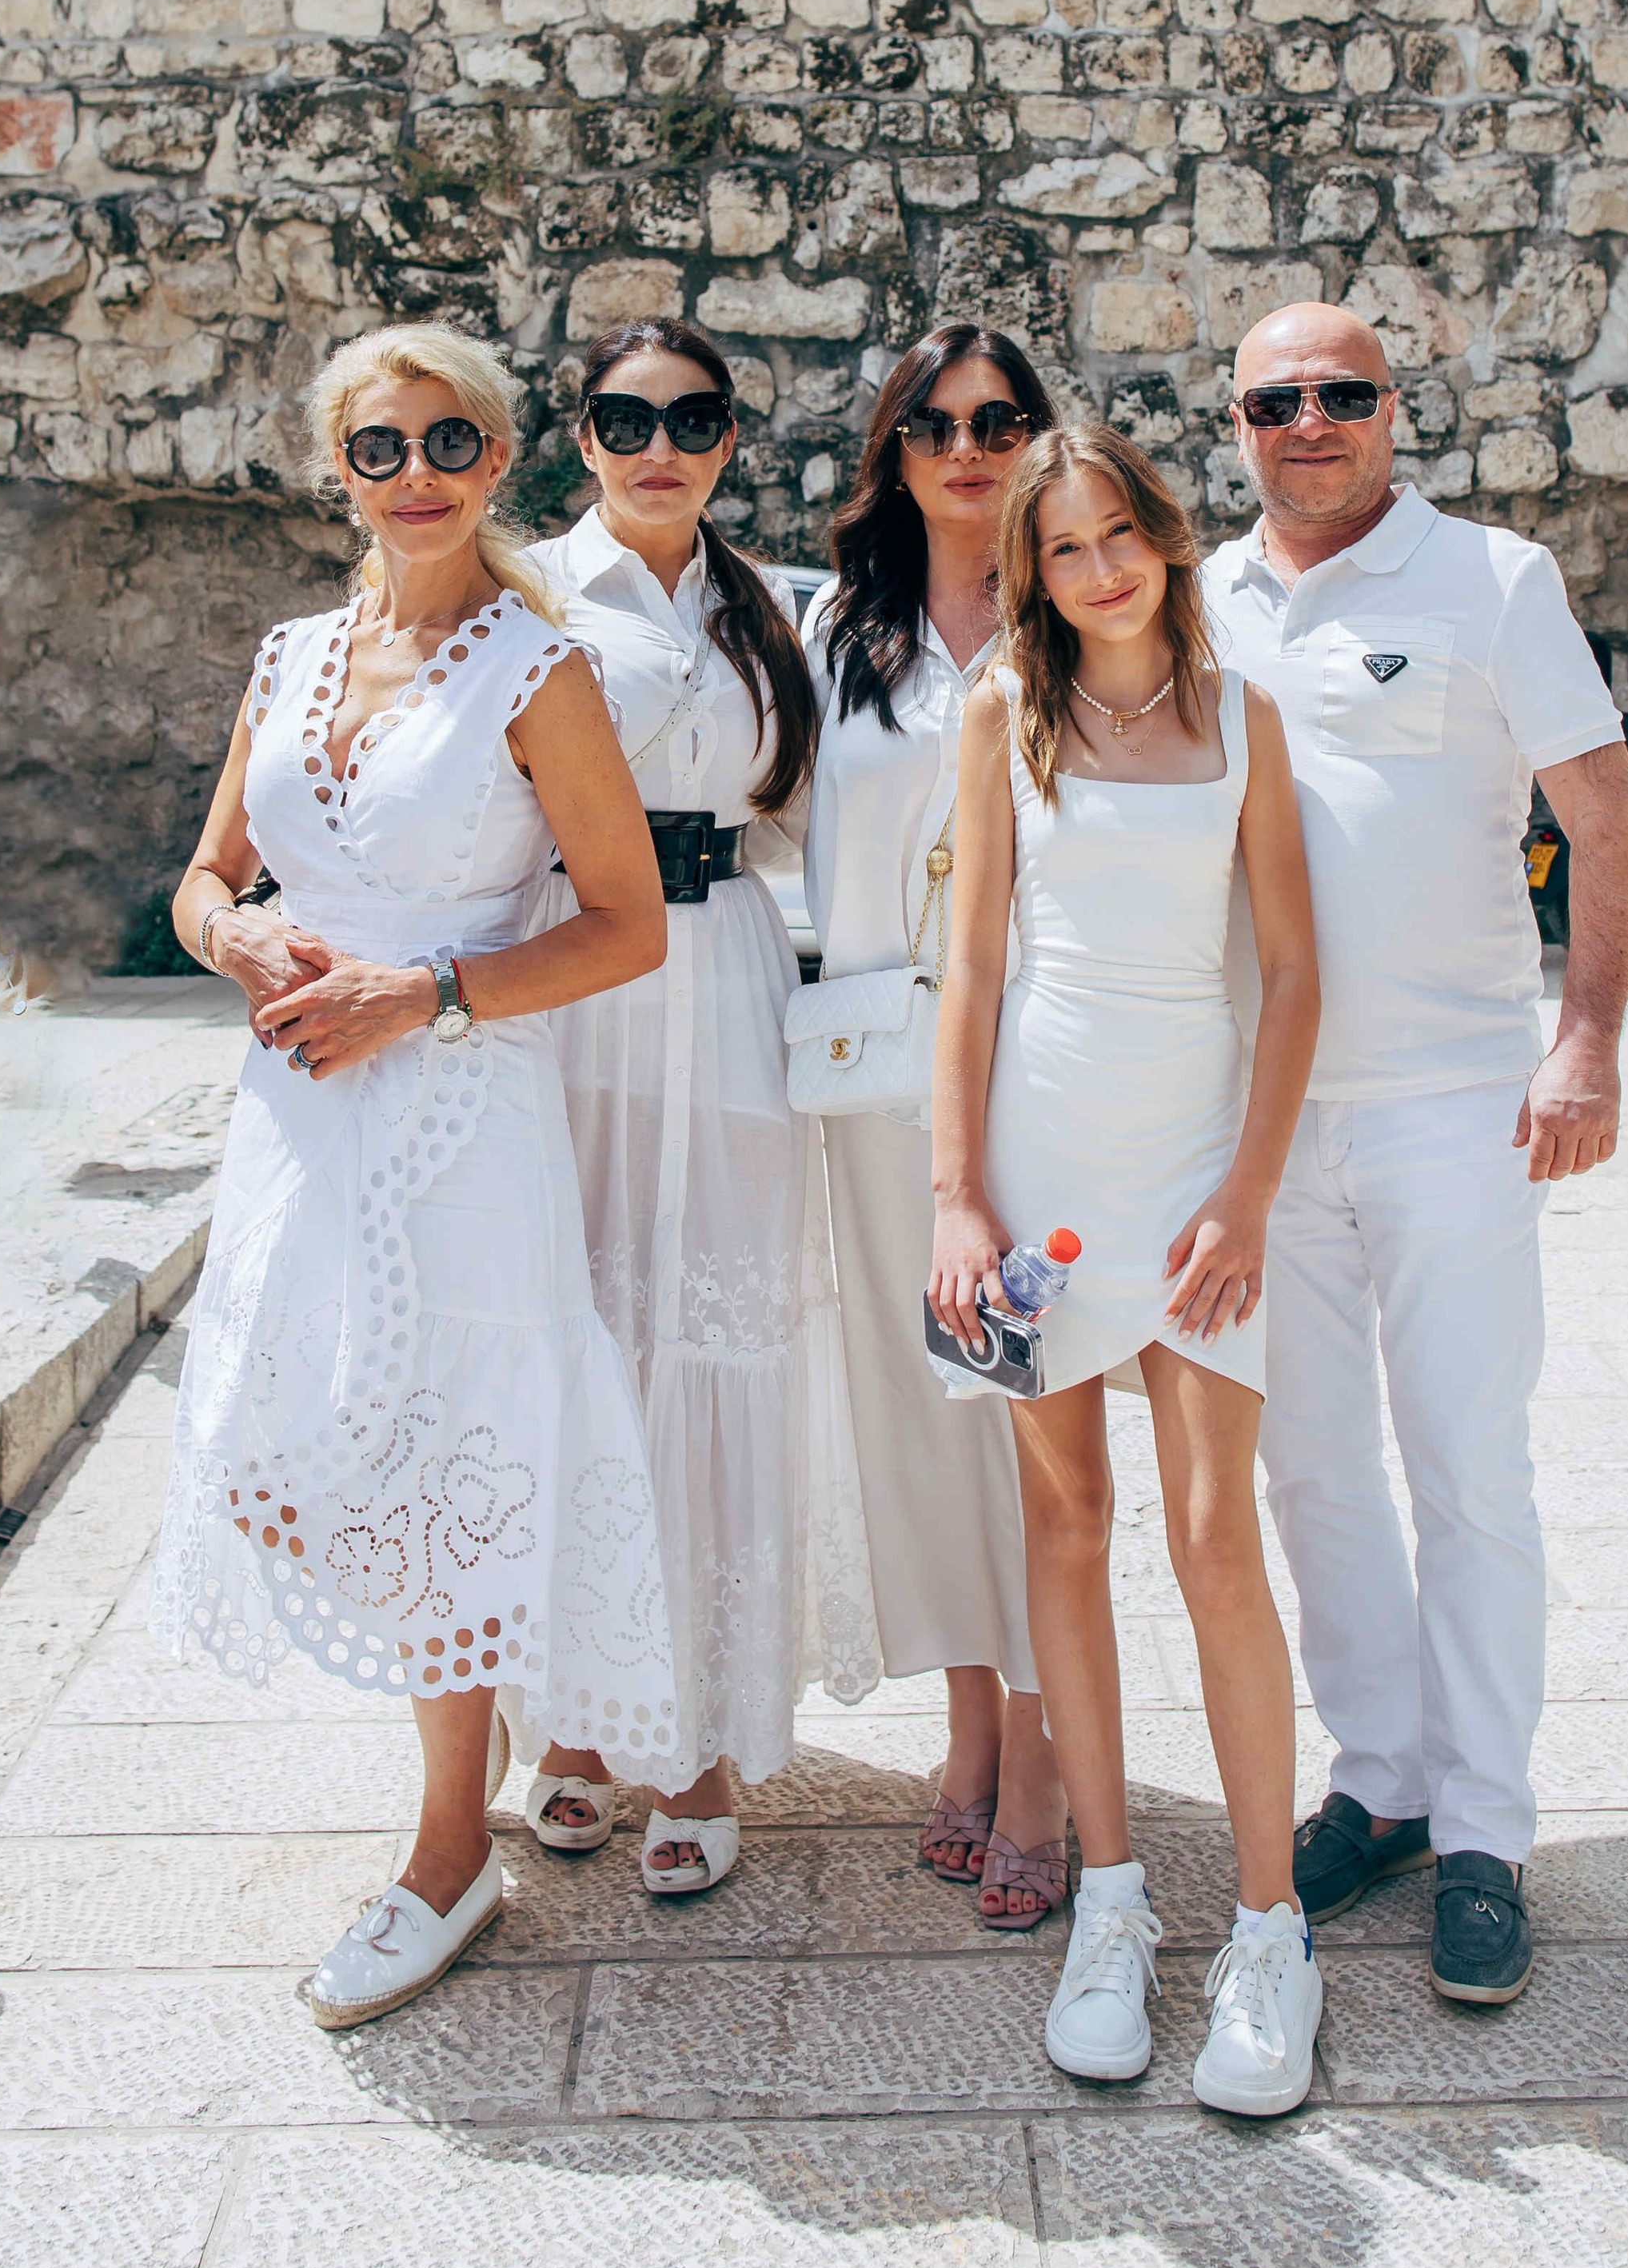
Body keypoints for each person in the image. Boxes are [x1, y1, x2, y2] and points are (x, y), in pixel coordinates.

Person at [156, 321, 681, 2031]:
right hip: (299, 1109)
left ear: (498, 463)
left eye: (450, 445)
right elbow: (203, 873)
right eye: (380, 449)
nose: (418, 478)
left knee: (441, 1445)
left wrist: (425, 991)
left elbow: (625, 924)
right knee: (277, 1445)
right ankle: (502, 1697)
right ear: (338, 469)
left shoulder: (541, 671)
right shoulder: (285, 655)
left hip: (460, 1110)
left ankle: (451, 1845)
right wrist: (233, 935)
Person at [1203, 299, 1628, 2006]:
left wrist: (1585, 1040)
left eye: (1342, 394)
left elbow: (1601, 816)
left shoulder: (1493, 579)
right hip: (1262, 1123)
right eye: (1276, 398)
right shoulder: (1196, 597)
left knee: (1465, 1461)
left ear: (1394, 410)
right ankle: (1378, 1778)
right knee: (1308, 1464)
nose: (1309, 420)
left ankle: (1485, 1825)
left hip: (1453, 1103)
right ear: (1231, 419)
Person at [930, 425, 1324, 2112]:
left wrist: (1246, 1191)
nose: (1096, 571)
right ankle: (1108, 1901)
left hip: (1194, 1175)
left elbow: (1294, 976)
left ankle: (1266, 1929)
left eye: (1119, 537)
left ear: (1166, 540)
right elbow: (968, 973)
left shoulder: (1245, 719)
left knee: (1216, 1536)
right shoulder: (1000, 713)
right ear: (1032, 574)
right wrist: (957, 1199)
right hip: (1039, 1171)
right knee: (1066, 1527)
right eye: (1061, 549)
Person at [525, 319, 880, 1895]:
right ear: (580, 433)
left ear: (732, 435)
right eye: (624, 414)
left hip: (726, 980)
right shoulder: (523, 590)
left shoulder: (778, 615)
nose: (657, 440)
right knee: (578, 1335)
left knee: (717, 1340)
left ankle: (708, 1735)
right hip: (570, 988)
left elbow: (825, 820)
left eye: (691, 415)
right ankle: (576, 1724)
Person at [804, 325, 1071, 1928]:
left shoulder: (1086, 605)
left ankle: (1041, 1754)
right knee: (920, 1413)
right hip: (876, 1086)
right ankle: (969, 1725)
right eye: (933, 424)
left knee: (1019, 1409)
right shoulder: (833, 626)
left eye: (998, 419)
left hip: (1041, 1071)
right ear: (890, 451)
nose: (966, 447)